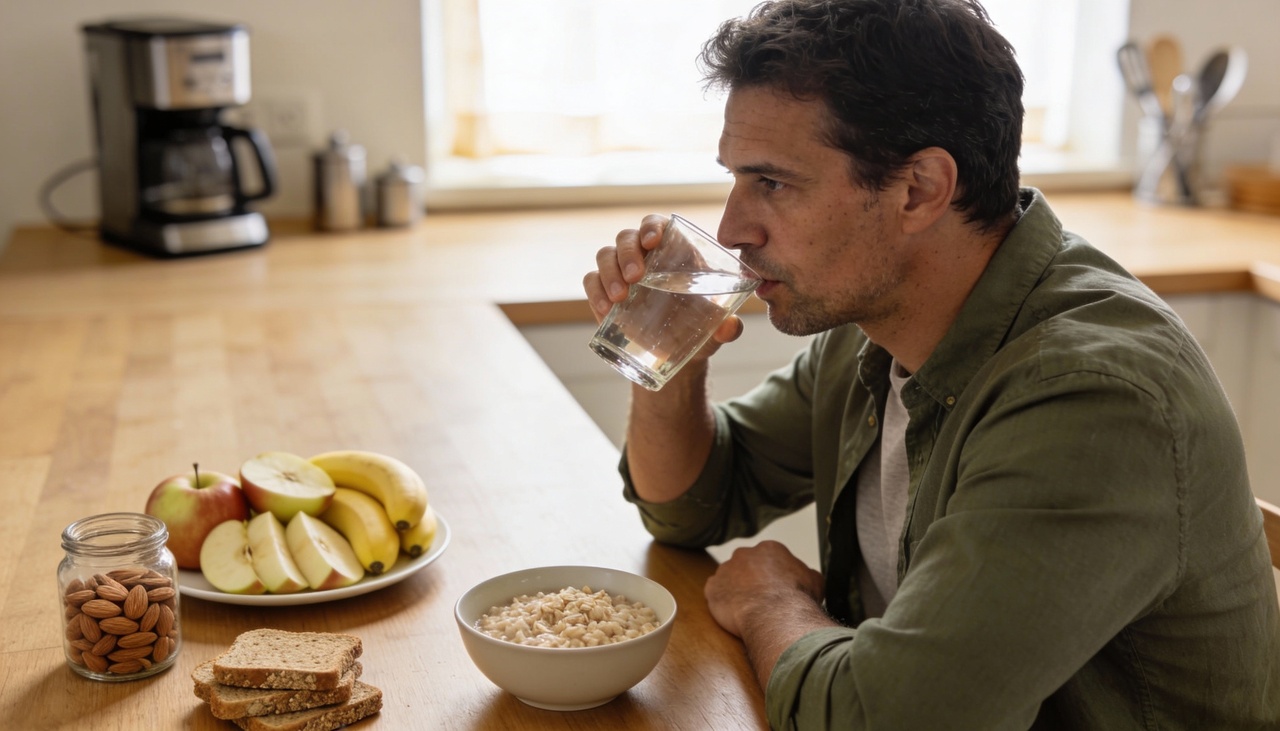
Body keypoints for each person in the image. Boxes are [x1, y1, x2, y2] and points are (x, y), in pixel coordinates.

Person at [582, 0, 1280, 728]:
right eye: (735, 177)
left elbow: (887, 717)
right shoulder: (878, 322)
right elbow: (694, 501)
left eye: (774, 183)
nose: (732, 227)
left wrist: (772, 605)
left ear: (919, 189)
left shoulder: (1092, 396)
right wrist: (667, 348)